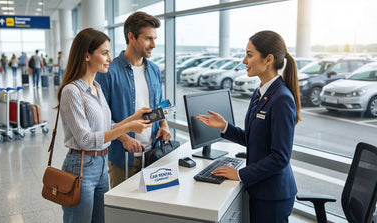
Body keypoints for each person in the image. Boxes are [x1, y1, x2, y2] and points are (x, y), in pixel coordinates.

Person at [196, 30, 301, 223]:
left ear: (268, 59)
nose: (244, 61)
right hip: (261, 188)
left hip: (273, 194)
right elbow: (255, 139)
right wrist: (225, 126)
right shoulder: (261, 92)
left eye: (250, 54)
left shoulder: (281, 98)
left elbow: (280, 157)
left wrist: (239, 174)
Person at [57, 28, 151, 223]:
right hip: (80, 166)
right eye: (104, 53)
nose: (109, 58)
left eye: (109, 52)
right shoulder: (72, 92)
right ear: (86, 56)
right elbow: (85, 139)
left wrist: (134, 117)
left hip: (101, 164)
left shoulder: (97, 87)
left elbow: (107, 125)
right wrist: (128, 128)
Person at [95, 11, 171, 188]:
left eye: (155, 38)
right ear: (131, 37)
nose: (153, 44)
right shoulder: (108, 72)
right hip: (123, 158)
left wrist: (164, 125)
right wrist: (124, 138)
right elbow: (101, 118)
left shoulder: (154, 69)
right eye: (148, 39)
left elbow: (161, 104)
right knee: (123, 213)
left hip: (154, 155)